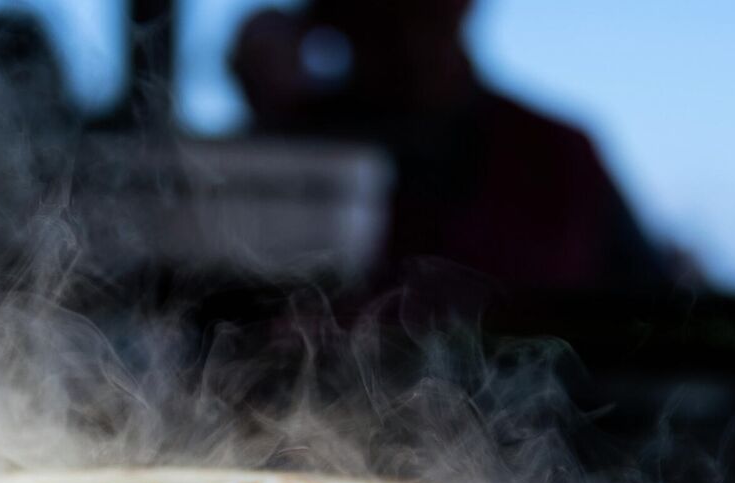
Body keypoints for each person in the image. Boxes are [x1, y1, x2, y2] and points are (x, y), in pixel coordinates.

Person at [231, 0, 679, 294]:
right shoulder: (290, 148)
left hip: (536, 427)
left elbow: (655, 323)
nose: (409, 32)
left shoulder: (559, 157)